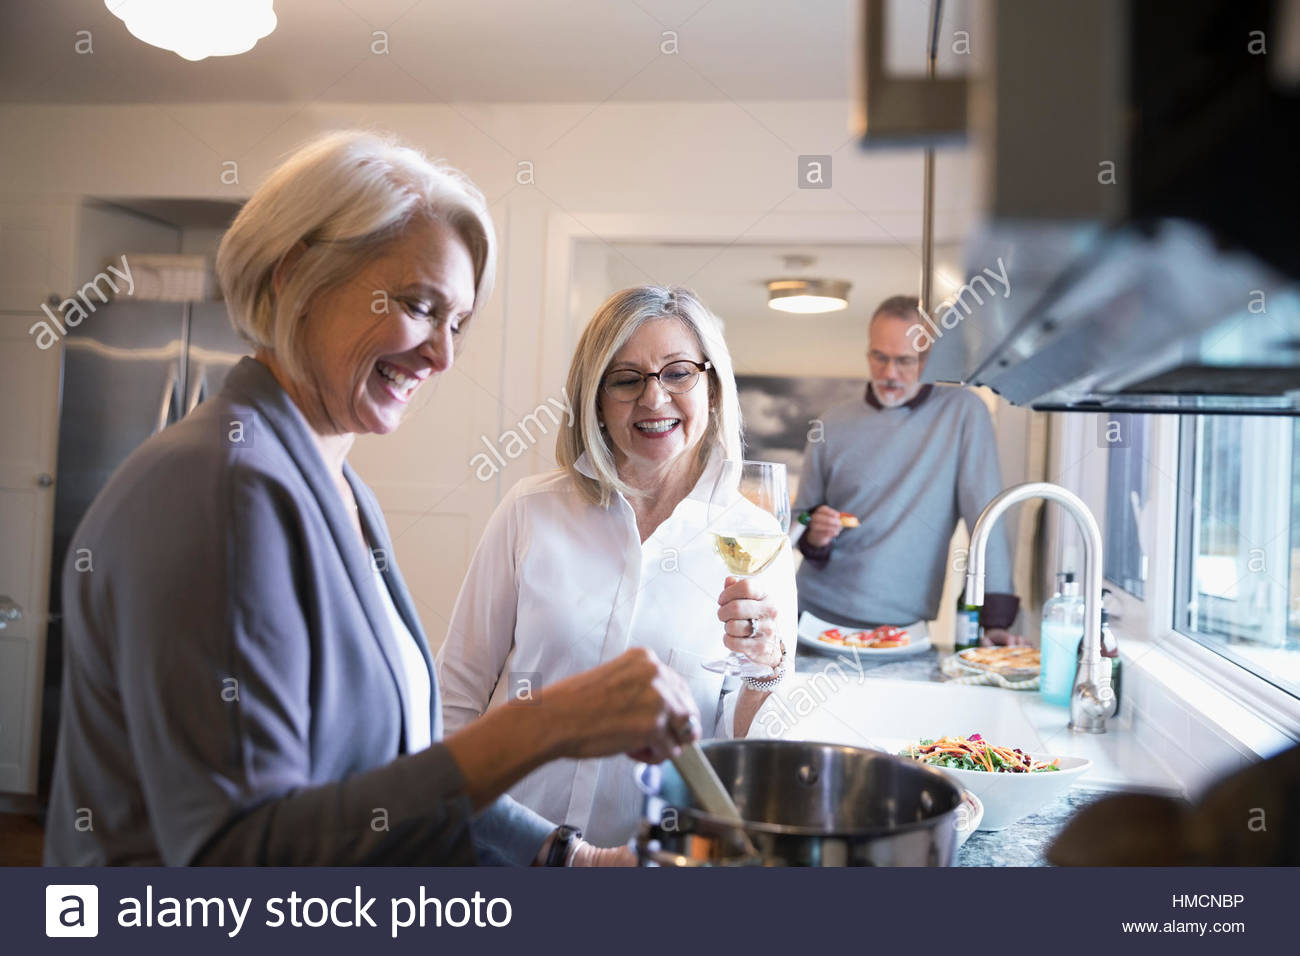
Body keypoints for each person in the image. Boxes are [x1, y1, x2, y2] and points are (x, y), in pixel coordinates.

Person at [43, 131, 701, 867]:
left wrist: (570, 861)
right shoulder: (223, 489)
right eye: (419, 306)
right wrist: (544, 725)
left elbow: (401, 774)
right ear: (297, 276)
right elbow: (235, 858)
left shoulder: (341, 490)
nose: (443, 355)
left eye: (458, 324)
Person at [436, 286, 797, 847]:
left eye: (678, 373)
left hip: (657, 857)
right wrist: (453, 827)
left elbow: (744, 756)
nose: (654, 400)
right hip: (510, 847)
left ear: (713, 387)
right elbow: (457, 692)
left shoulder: (754, 537)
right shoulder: (531, 510)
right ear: (595, 400)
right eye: (626, 379)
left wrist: (766, 668)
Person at [793, 294, 1021, 644]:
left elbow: (986, 520)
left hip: (901, 626)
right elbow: (801, 517)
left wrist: (995, 620)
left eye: (905, 361)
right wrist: (815, 533)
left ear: (931, 358)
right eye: (879, 358)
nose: (889, 374)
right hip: (811, 616)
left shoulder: (963, 414)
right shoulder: (833, 423)